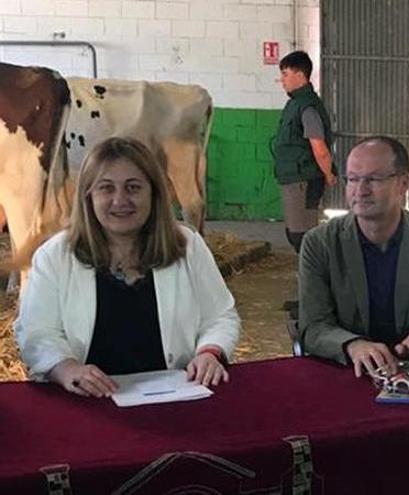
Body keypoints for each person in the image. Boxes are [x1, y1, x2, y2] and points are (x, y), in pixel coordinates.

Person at [14, 137, 240, 398]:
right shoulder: (55, 256)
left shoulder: (188, 246)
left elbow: (220, 316)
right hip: (88, 403)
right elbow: (35, 332)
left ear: (154, 194)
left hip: (175, 399)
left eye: (133, 187)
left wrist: (210, 352)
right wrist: (66, 369)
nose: (120, 200)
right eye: (106, 188)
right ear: (88, 196)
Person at [298, 136, 409, 377]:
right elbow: (312, 327)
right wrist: (353, 345)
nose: (360, 191)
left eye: (373, 179)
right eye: (352, 179)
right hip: (347, 371)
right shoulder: (319, 243)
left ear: (403, 183)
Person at [272, 50, 336, 253]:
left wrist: (328, 174)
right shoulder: (295, 104)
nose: (281, 80)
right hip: (293, 177)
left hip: (304, 179)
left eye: (285, 74)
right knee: (296, 233)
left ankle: (315, 277)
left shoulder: (307, 107)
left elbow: (320, 148)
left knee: (304, 236)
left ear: (300, 75)